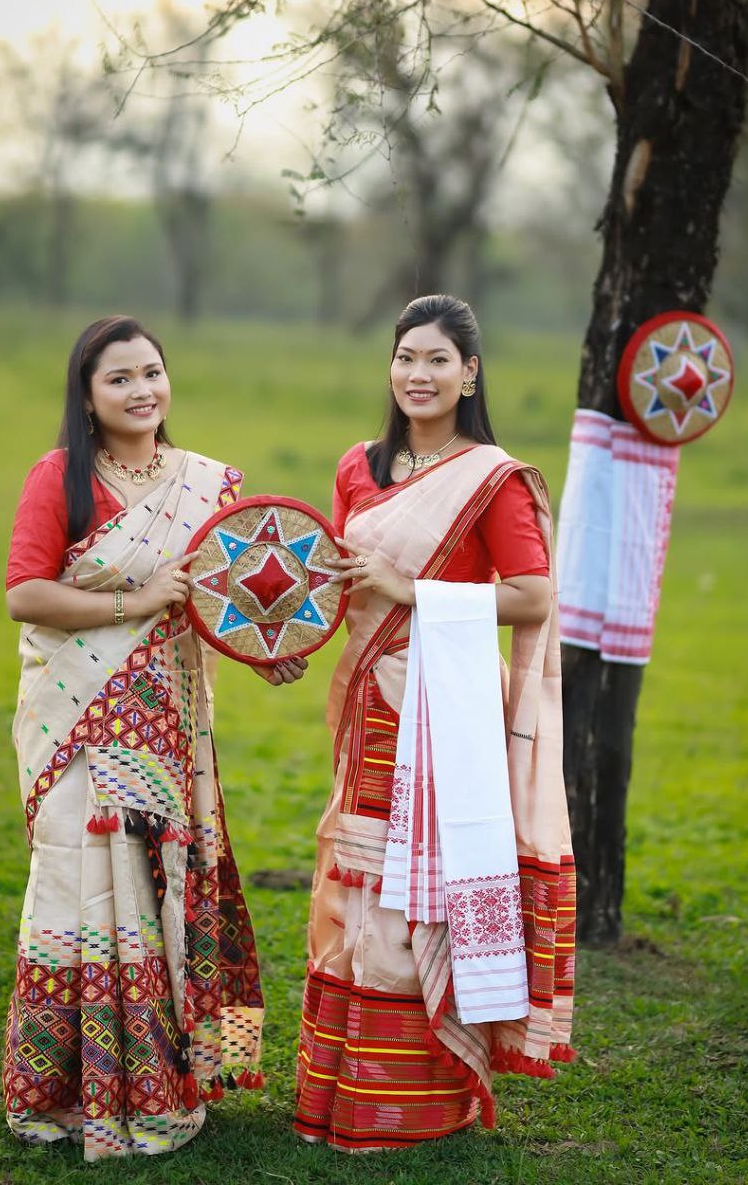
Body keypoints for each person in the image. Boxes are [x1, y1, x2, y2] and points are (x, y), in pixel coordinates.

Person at [1, 315, 305, 1162]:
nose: (142, 391)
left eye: (152, 373)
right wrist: (131, 605)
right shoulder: (59, 477)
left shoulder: (204, 486)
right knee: (84, 894)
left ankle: (161, 1083)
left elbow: (225, 600)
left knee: (158, 890)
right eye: (119, 379)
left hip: (169, 725)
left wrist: (265, 654)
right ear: (88, 397)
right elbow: (26, 594)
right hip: (79, 725)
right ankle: (66, 1090)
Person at [293, 294, 576, 1152]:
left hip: (446, 713)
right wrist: (281, 637)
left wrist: (412, 590)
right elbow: (339, 579)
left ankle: (415, 1098)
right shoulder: (358, 466)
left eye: (437, 360)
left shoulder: (492, 476)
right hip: (369, 704)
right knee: (359, 890)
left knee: (426, 896)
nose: (418, 374)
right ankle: (340, 1094)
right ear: (390, 367)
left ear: (469, 373)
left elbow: (533, 594)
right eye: (406, 357)